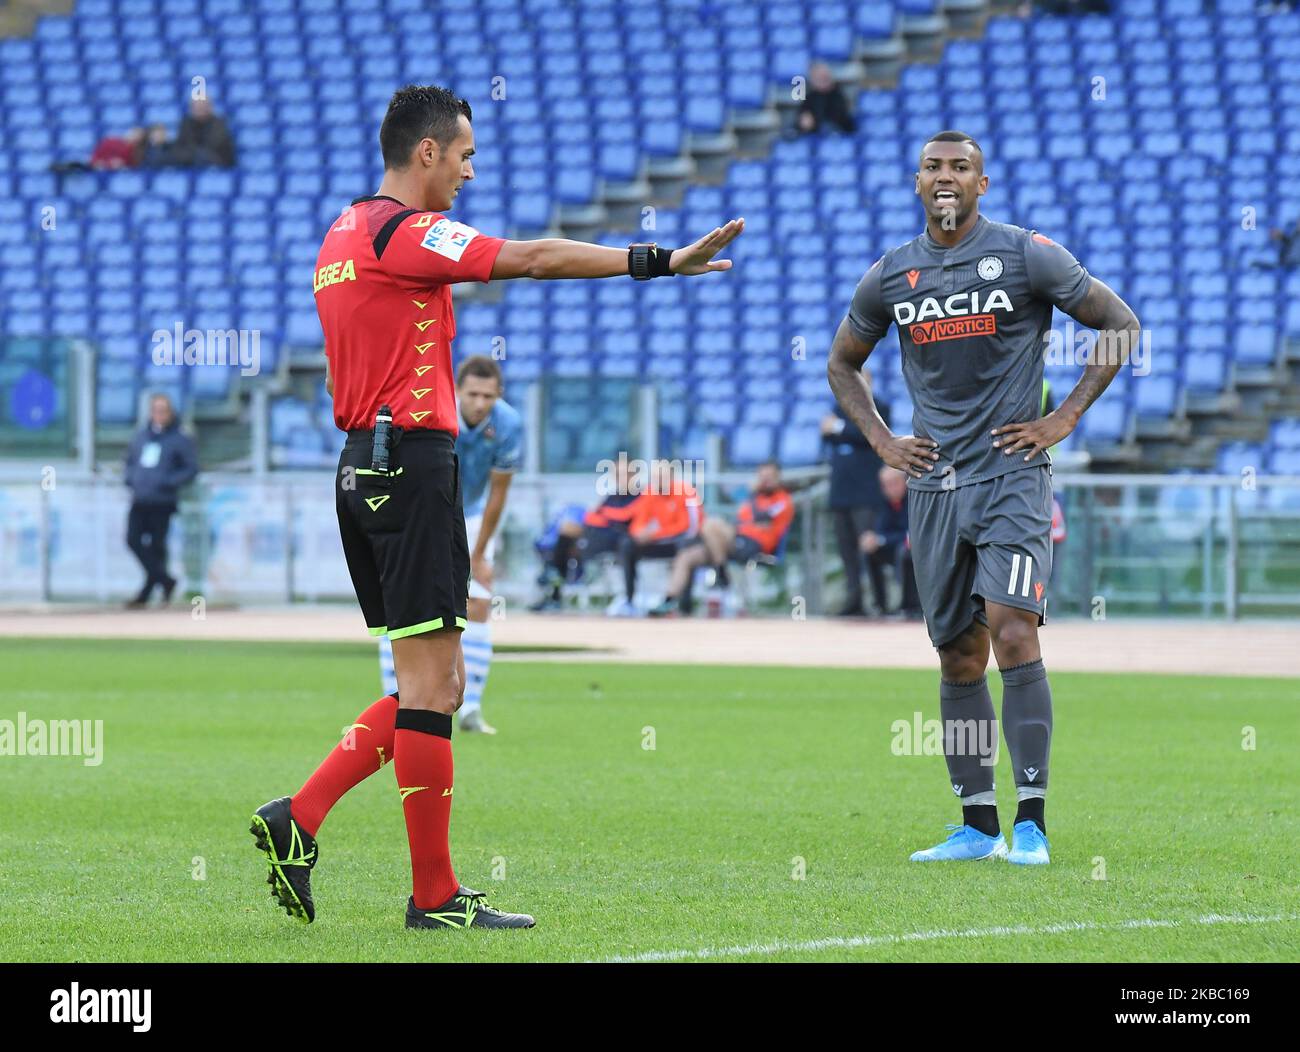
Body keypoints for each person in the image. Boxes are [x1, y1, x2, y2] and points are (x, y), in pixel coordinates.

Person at [249, 84, 742, 933]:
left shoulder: (340, 231)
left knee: (426, 685)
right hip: (408, 464)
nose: (473, 171)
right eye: (467, 154)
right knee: (436, 687)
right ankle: (431, 897)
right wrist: (656, 260)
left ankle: (304, 818)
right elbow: (536, 259)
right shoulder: (401, 232)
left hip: (363, 466)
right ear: (428, 152)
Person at [827, 129, 1139, 866]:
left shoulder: (1028, 254)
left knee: (1012, 631)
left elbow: (1120, 326)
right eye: (933, 166)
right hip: (933, 485)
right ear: (916, 181)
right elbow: (843, 363)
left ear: (982, 183)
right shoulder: (891, 275)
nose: (946, 177)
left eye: (960, 167)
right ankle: (976, 825)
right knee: (957, 655)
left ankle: (1031, 821)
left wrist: (1062, 418)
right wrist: (881, 443)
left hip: (1011, 477)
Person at [378, 355, 522, 734]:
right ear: (457, 391)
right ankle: (394, 696)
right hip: (423, 511)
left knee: (477, 603)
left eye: (488, 396)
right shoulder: (435, 411)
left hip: (471, 515)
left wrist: (480, 552)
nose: (479, 403)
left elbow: (498, 493)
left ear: (499, 395)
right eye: (473, 394)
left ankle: (470, 706)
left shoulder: (509, 424)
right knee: (402, 604)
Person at [649, 460, 794, 616]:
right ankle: (669, 601)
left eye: (769, 477)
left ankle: (721, 571)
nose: (765, 481)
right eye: (762, 477)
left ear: (778, 477)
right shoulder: (755, 498)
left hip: (757, 545)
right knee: (686, 556)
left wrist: (753, 495)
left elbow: (762, 517)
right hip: (733, 543)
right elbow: (743, 519)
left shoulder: (783, 500)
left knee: (710, 525)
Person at [531, 459, 639, 610]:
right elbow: (596, 515)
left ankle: (553, 576)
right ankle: (553, 589)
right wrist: (600, 516)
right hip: (594, 536)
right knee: (563, 536)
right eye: (618, 474)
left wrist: (603, 516)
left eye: (626, 474)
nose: (622, 478)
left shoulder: (640, 496)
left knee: (568, 532)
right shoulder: (612, 496)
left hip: (617, 539)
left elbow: (625, 516)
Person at [123, 393, 197, 608]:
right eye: (155, 410)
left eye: (163, 410)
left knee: (157, 546)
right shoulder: (141, 436)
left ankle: (149, 592)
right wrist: (131, 479)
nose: (159, 414)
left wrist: (167, 482)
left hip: (162, 500)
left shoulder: (179, 438)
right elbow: (129, 462)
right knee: (133, 540)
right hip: (140, 498)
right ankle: (165, 580)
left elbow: (191, 468)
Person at [610, 460, 703, 616]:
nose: (659, 480)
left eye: (663, 476)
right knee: (627, 544)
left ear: (672, 476)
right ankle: (629, 599)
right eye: (656, 477)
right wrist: (640, 534)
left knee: (686, 548)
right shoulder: (650, 494)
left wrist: (654, 534)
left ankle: (684, 605)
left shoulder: (685, 492)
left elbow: (686, 526)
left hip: (679, 541)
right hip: (659, 542)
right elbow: (639, 522)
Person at [822, 399, 889, 616]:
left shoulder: (879, 406)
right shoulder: (837, 407)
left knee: (868, 548)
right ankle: (854, 599)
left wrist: (839, 428)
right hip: (841, 490)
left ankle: (879, 601)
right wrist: (840, 430)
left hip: (866, 491)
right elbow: (826, 435)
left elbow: (873, 436)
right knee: (846, 551)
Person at [862, 466, 921, 619]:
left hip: (916, 549)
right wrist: (872, 538)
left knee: (906, 552)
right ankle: (880, 605)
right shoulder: (883, 503)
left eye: (894, 483)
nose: (890, 489)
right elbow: (881, 530)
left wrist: (882, 539)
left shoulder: (915, 498)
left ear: (904, 481)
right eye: (886, 485)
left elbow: (912, 532)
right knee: (870, 552)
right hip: (894, 546)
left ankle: (910, 606)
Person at [796, 61, 856, 136]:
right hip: (814, 137)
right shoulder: (809, 98)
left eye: (825, 77)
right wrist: (804, 123)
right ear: (812, 80)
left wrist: (815, 121)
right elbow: (801, 119)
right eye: (819, 78)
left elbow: (842, 119)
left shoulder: (839, 95)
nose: (823, 80)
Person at [173, 98, 236, 168]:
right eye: (197, 107)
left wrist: (195, 152)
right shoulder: (186, 124)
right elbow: (180, 145)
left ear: (210, 107)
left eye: (203, 106)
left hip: (217, 162)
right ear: (192, 108)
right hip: (191, 161)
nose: (200, 110)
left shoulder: (219, 124)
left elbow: (213, 146)